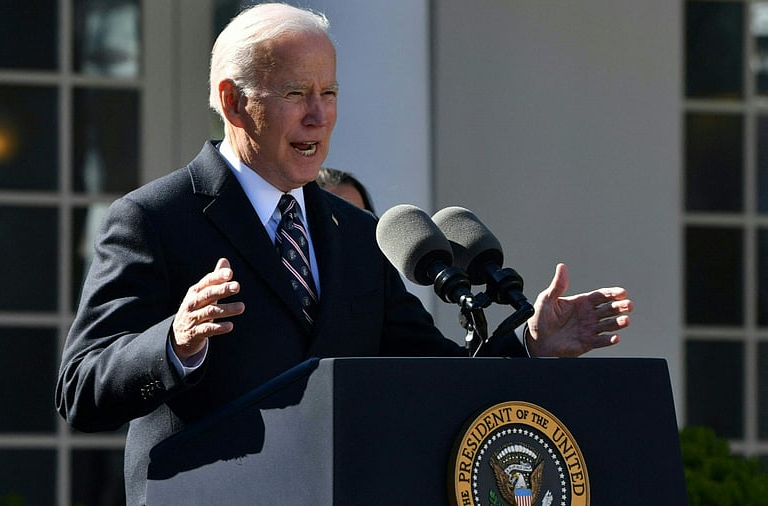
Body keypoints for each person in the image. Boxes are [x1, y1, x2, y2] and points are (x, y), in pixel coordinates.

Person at [55, 3, 633, 503]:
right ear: (233, 103)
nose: (320, 115)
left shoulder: (358, 233)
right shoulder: (154, 218)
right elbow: (81, 387)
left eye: (329, 93)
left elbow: (434, 376)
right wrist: (174, 344)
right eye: (297, 94)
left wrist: (530, 343)